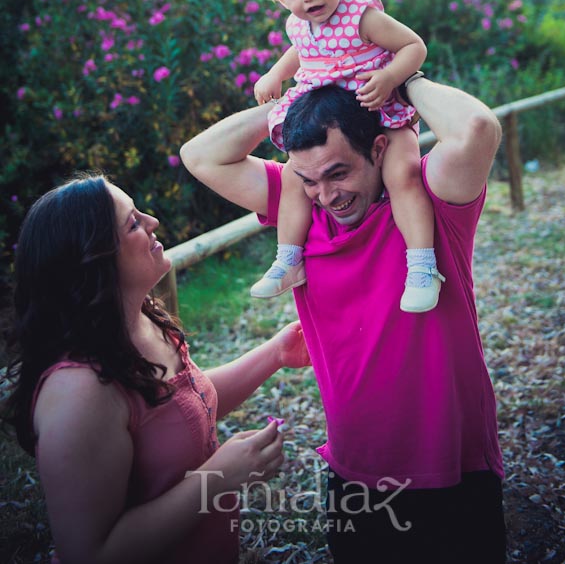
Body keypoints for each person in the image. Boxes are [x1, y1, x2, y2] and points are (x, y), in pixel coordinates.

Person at [180, 76, 507, 564]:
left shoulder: (432, 204)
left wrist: (400, 80)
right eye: (308, 179)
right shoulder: (300, 218)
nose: (327, 195)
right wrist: (297, 98)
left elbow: (478, 127)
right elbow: (201, 155)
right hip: (355, 474)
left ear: (379, 149)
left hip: (454, 466)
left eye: (338, 173)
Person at [2, 173, 310, 564]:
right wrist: (217, 480)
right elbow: (89, 554)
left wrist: (276, 353)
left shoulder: (138, 321)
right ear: (94, 258)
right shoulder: (78, 393)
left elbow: (181, 408)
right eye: (133, 222)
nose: (153, 222)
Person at [251, 0, 442, 314]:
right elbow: (301, 51)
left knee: (402, 174)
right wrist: (275, 74)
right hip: (332, 120)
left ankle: (422, 266)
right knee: (292, 174)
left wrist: (389, 76)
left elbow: (413, 46)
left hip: (381, 109)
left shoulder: (361, 16)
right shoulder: (298, 24)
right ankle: (289, 259)